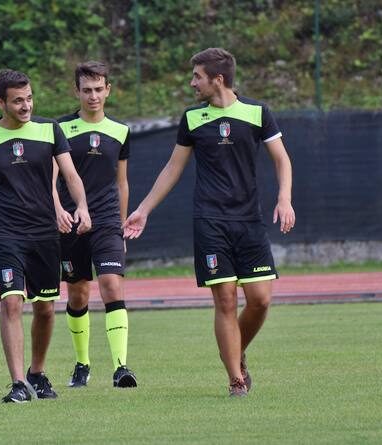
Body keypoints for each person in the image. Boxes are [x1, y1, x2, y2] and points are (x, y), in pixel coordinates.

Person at [123, 48, 295, 397]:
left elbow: (282, 159)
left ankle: (235, 349)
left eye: (197, 77)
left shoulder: (258, 112)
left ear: (218, 79)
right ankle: (235, 379)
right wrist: (143, 209)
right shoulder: (192, 119)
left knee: (260, 300)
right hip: (210, 221)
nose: (192, 83)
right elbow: (173, 168)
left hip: (249, 220)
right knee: (226, 301)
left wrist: (284, 197)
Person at [0, 69, 91, 403]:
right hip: (6, 234)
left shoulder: (50, 130)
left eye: (29, 99)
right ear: (0, 102)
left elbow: (70, 174)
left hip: (44, 234)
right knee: (11, 302)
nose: (25, 106)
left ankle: (37, 373)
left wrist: (82, 206)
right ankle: (18, 383)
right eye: (17, 101)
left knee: (46, 309)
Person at [53, 61, 137, 388]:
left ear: (108, 90)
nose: (93, 96)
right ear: (76, 91)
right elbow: (51, 180)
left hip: (107, 222)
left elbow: (122, 183)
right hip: (72, 224)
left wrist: (121, 226)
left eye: (99, 89)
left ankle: (121, 367)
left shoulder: (120, 131)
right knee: (77, 294)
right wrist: (58, 211)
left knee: (112, 285)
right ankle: (82, 363)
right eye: (86, 90)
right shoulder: (59, 129)